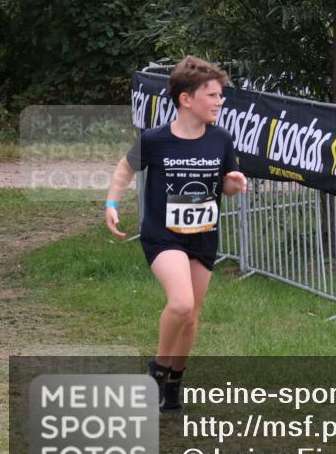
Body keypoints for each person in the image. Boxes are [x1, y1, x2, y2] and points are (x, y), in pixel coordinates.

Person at [105, 56, 247, 413]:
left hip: (202, 237)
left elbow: (228, 186)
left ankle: (174, 384)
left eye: (220, 95)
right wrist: (112, 202)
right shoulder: (156, 139)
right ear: (186, 99)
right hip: (163, 236)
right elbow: (126, 167)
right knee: (181, 303)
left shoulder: (221, 139)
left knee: (191, 317)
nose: (219, 102)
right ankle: (156, 371)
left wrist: (233, 184)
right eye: (212, 95)